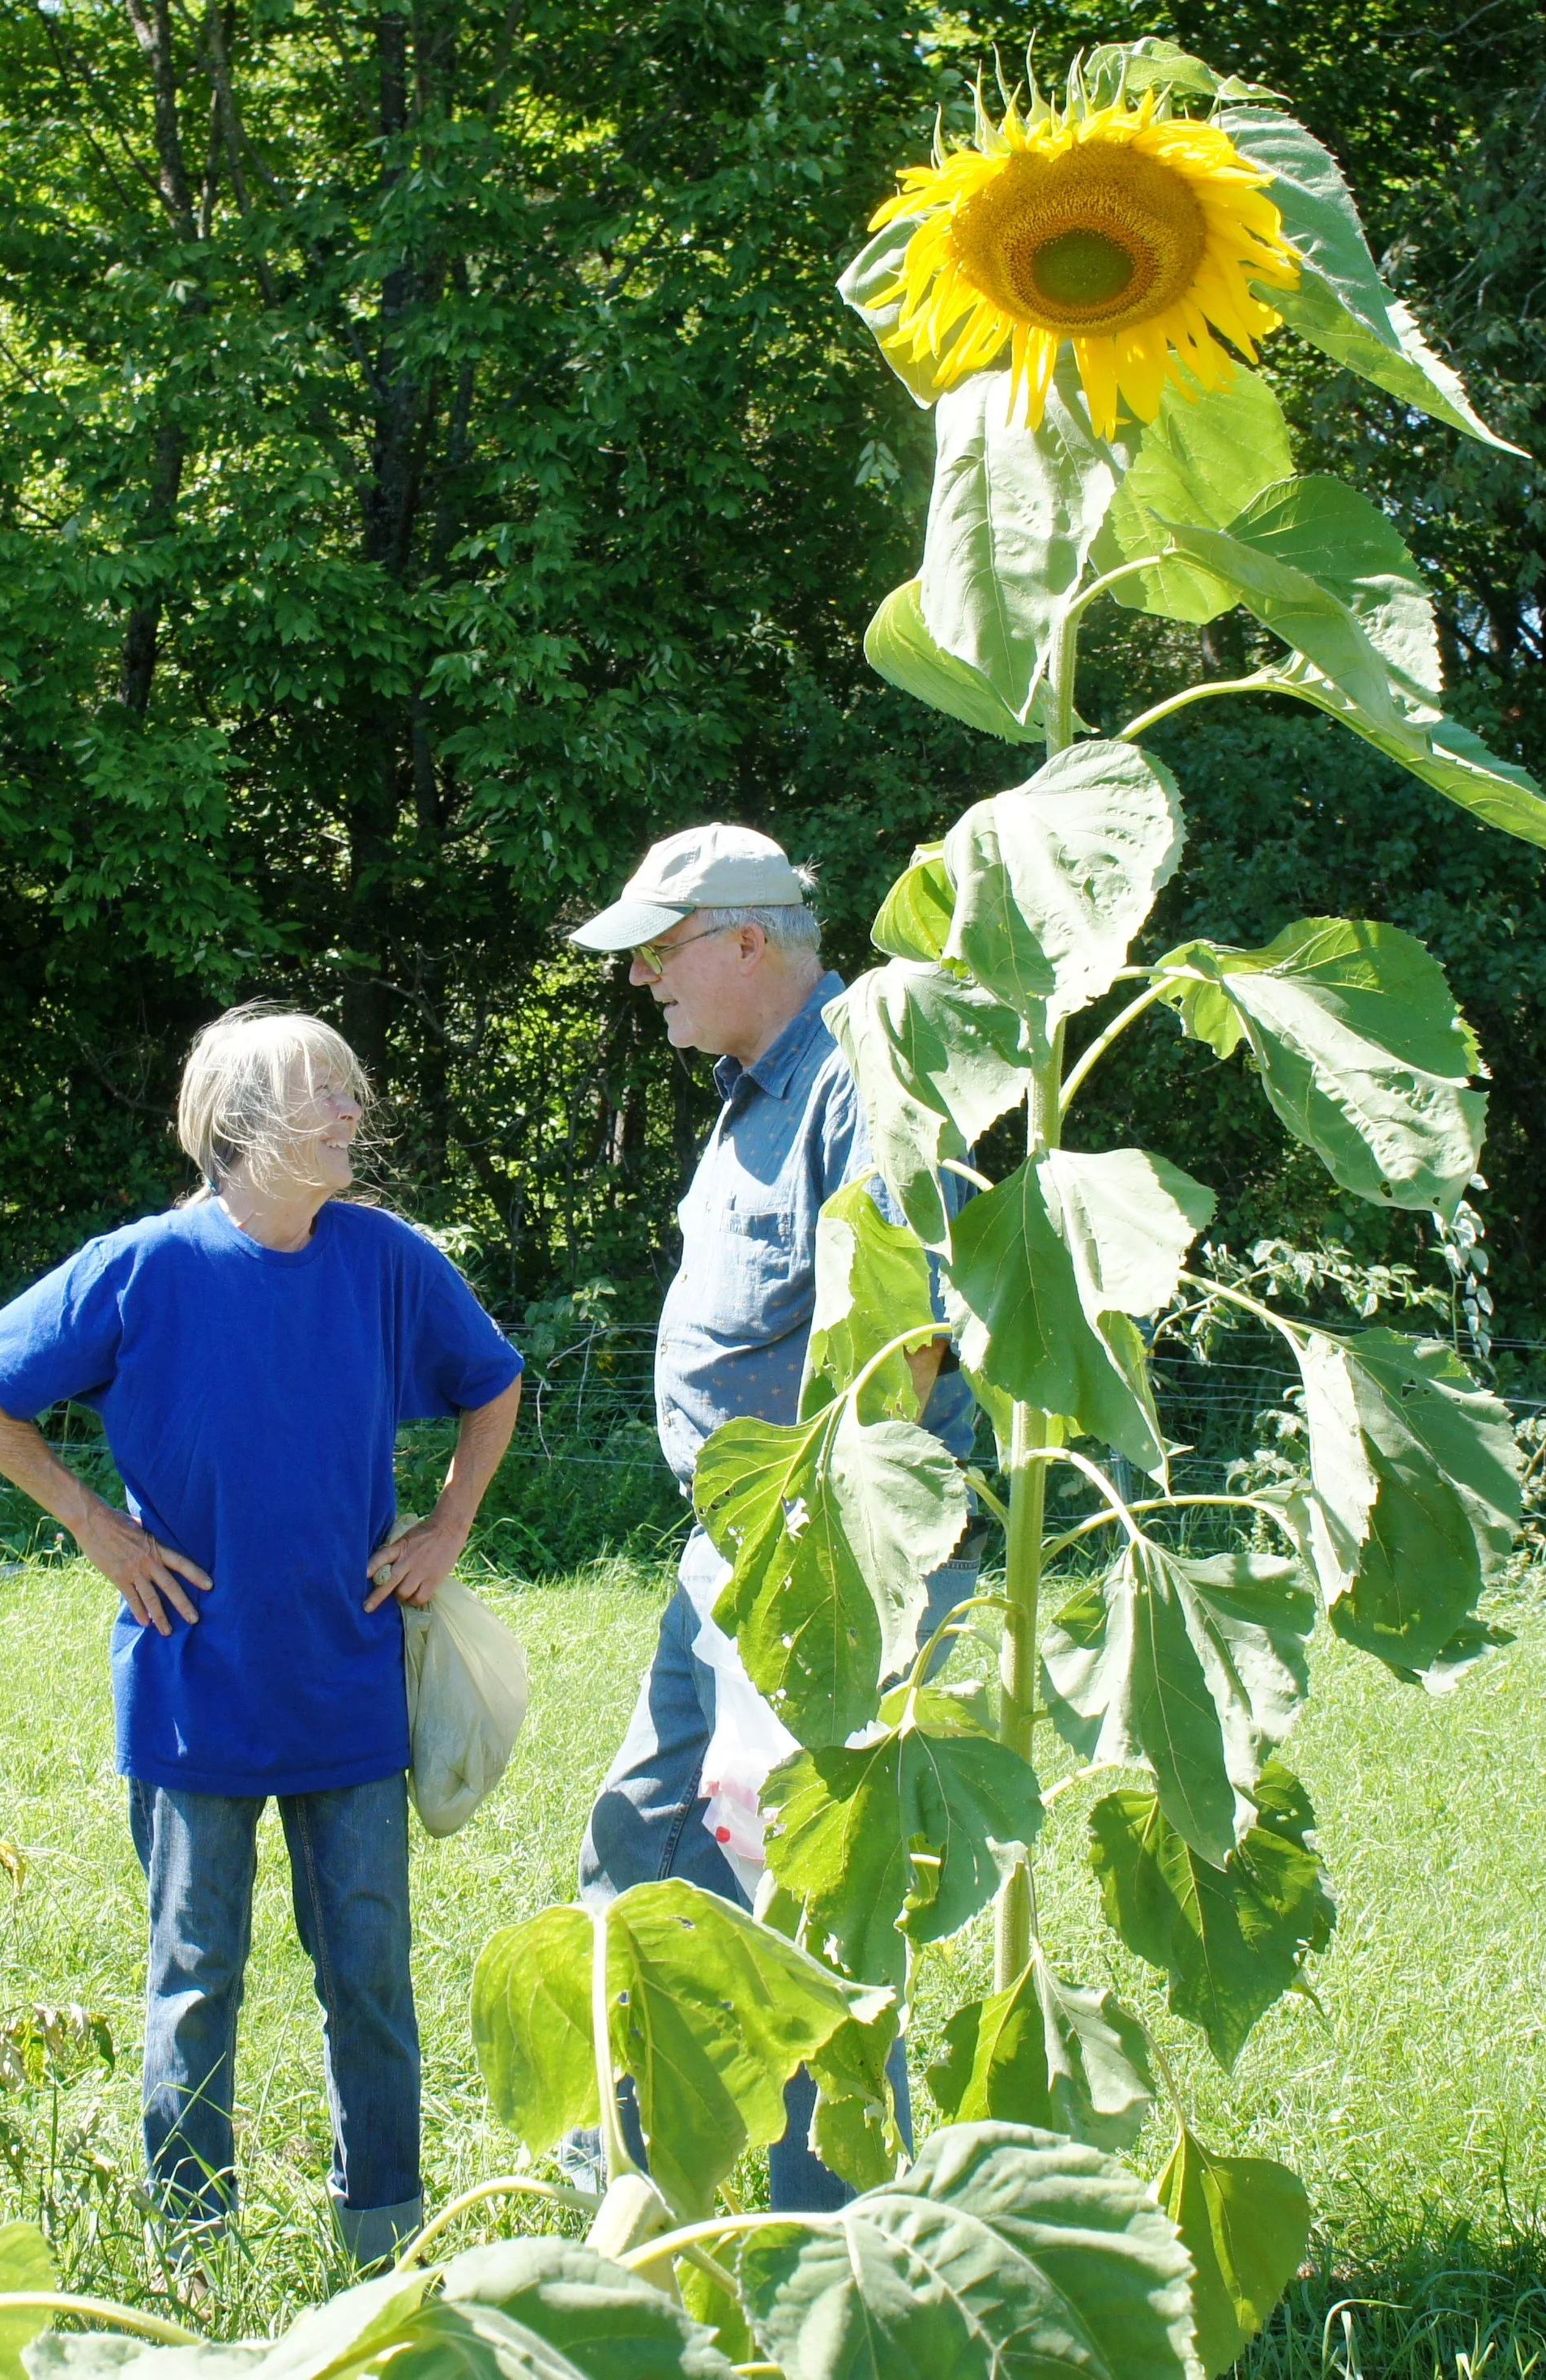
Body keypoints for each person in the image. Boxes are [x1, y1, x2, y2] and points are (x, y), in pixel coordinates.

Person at [0, 1006, 523, 2267]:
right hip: (193, 1683)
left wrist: (446, 1528)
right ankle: (193, 2250)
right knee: (196, 1978)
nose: (355, 1112)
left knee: (368, 1975)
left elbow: (494, 1380)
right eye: (327, 1094)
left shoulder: (386, 1259)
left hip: (349, 1683)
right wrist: (97, 1526)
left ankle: (385, 2239)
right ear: (243, 1125)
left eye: (353, 1091)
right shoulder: (144, 1266)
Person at [566, 823, 977, 2210]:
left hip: (827, 1564)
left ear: (749, 940)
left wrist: (836, 1578)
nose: (642, 981)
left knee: (796, 1882)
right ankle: (626, 2179)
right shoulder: (758, 1090)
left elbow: (902, 1343)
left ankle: (837, 2229)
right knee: (643, 1840)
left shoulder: (867, 1077)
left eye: (659, 950)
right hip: (731, 1553)